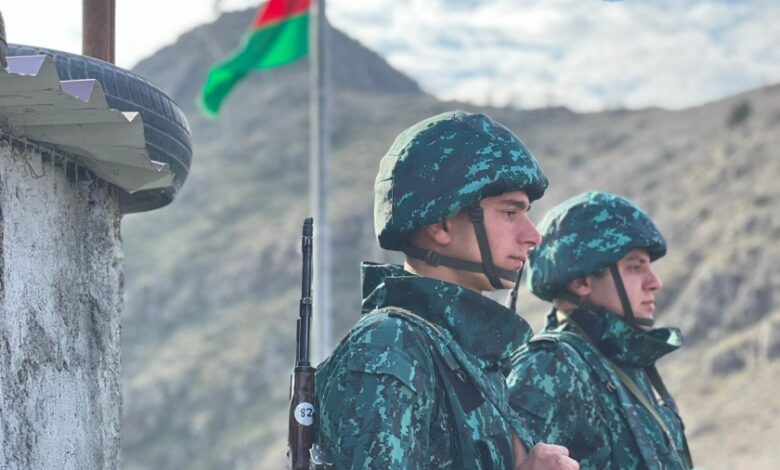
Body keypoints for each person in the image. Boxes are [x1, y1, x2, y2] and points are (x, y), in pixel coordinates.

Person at [315, 111, 579, 469]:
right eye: (509, 213)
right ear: (441, 224)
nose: (533, 235)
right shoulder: (389, 345)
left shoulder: (460, 352)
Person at [507, 191, 694, 470]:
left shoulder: (622, 361)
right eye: (635, 267)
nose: (654, 282)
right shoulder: (550, 366)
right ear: (582, 282)